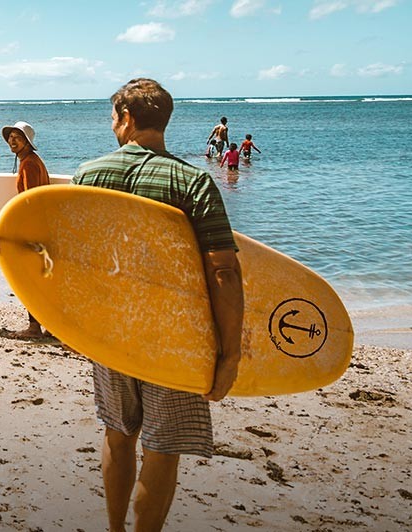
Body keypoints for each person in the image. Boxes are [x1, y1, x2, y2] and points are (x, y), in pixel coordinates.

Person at [70, 78, 244, 532]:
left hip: (110, 334)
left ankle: (113, 528)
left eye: (113, 117)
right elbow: (223, 272)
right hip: (176, 337)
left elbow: (75, 263)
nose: (112, 125)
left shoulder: (89, 175)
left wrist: (74, 327)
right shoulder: (193, 182)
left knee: (118, 433)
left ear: (127, 119)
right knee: (163, 446)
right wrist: (229, 354)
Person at [2, 120, 51, 340]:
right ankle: (51, 327)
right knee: (41, 278)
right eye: (10, 137)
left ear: (27, 142)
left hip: (33, 229)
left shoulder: (30, 163)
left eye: (17, 137)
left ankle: (34, 328)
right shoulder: (29, 161)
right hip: (41, 227)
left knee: (29, 279)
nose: (12, 140)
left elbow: (31, 199)